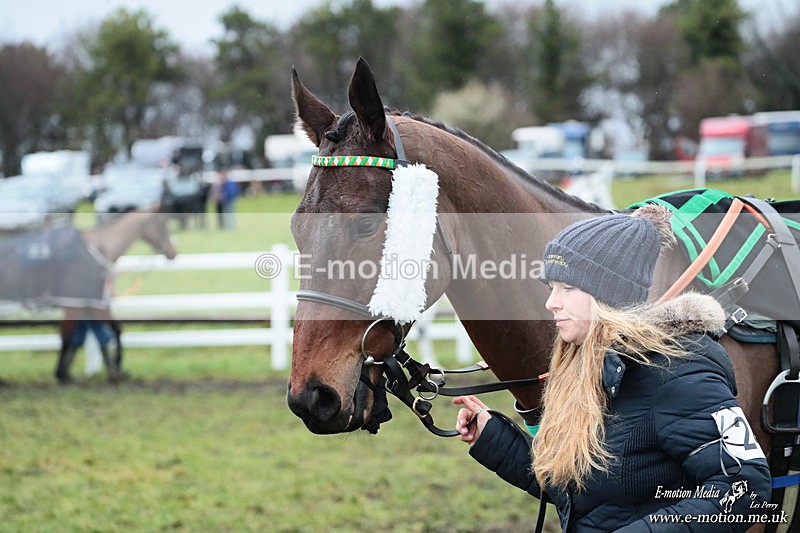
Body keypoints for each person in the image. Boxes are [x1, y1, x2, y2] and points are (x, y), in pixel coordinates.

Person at [453, 206, 772, 532]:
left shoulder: (679, 370)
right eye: (551, 288)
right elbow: (583, 494)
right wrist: (492, 438)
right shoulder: (587, 366)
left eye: (567, 287)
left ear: (607, 294)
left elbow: (745, 487)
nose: (551, 303)